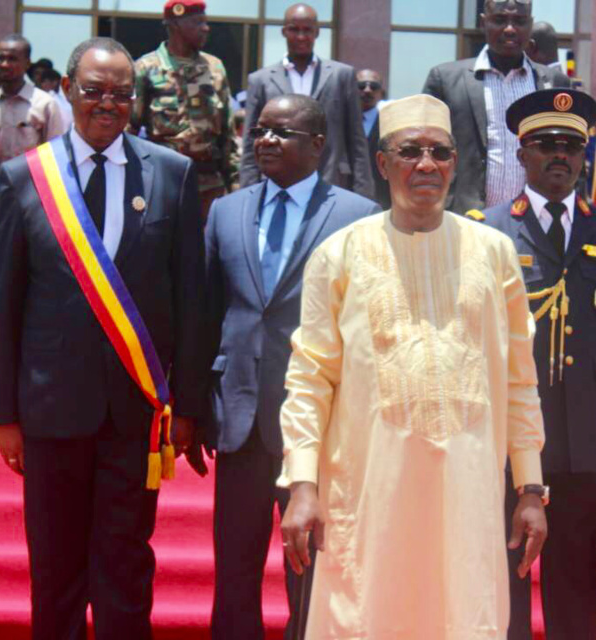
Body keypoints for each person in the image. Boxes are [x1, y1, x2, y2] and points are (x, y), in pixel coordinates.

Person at [277, 94, 547, 639]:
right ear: (383, 163)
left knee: (463, 615)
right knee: (366, 616)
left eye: (441, 152)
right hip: (368, 493)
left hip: (467, 493)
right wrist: (302, 484)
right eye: (410, 151)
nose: (427, 165)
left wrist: (531, 488)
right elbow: (309, 380)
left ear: (455, 162)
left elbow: (520, 379)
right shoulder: (339, 255)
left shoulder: (494, 254)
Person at [0, 37, 205, 639]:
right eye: (93, 91)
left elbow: (189, 298)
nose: (106, 104)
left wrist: (186, 407)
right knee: (54, 570)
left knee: (126, 566)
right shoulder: (24, 177)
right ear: (66, 92)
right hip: (51, 411)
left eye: (119, 93)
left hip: (137, 413)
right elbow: (3, 304)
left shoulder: (172, 174)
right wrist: (4, 412)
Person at [197, 93, 379, 640]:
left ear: (318, 145)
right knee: (235, 568)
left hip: (319, 428)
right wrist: (198, 405)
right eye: (261, 130)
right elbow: (207, 314)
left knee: (311, 569)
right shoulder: (226, 211)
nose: (266, 140)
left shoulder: (356, 216)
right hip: (242, 419)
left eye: (282, 132)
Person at [474, 88, 596, 640]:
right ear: (521, 155)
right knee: (508, 569)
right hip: (509, 435)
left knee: (573, 570)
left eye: (572, 145)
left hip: (585, 434)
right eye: (546, 145)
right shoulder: (488, 229)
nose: (561, 156)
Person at [422, 0, 567, 214]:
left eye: (519, 21)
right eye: (499, 20)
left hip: (534, 222)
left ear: (530, 25)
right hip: (464, 220)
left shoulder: (554, 83)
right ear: (483, 23)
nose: (509, 29)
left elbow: (570, 153)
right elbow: (424, 150)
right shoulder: (445, 80)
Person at [0, 33, 65, 348]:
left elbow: (56, 162)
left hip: (36, 212)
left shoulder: (45, 105)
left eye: (13, 59)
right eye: (1, 58)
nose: (5, 64)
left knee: (33, 283)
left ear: (26, 63)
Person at [241, 3, 373, 198]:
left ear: (317, 32)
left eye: (307, 30)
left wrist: (363, 194)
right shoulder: (260, 80)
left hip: (332, 183)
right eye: (294, 29)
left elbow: (357, 141)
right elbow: (251, 142)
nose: (301, 36)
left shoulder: (341, 76)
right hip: (277, 185)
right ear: (284, 31)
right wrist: (247, 195)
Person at [132, 0, 238, 222]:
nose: (206, 28)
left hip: (210, 188)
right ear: (175, 25)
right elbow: (129, 131)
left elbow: (228, 135)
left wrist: (235, 184)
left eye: (206, 22)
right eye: (198, 22)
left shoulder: (215, 67)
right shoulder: (146, 68)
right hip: (163, 184)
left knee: (207, 253)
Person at [357, 68, 390, 209]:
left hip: (382, 198)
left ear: (381, 93)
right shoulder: (340, 121)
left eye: (374, 86)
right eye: (361, 86)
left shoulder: (390, 122)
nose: (367, 90)